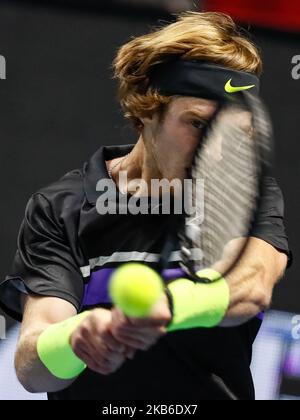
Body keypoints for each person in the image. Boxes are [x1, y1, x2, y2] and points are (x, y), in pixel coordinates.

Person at [0, 12, 291, 400]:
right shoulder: (58, 208)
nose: (216, 153)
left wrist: (166, 307)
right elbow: (32, 371)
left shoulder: (248, 193)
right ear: (145, 110)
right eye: (199, 125)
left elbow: (251, 285)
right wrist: (75, 340)